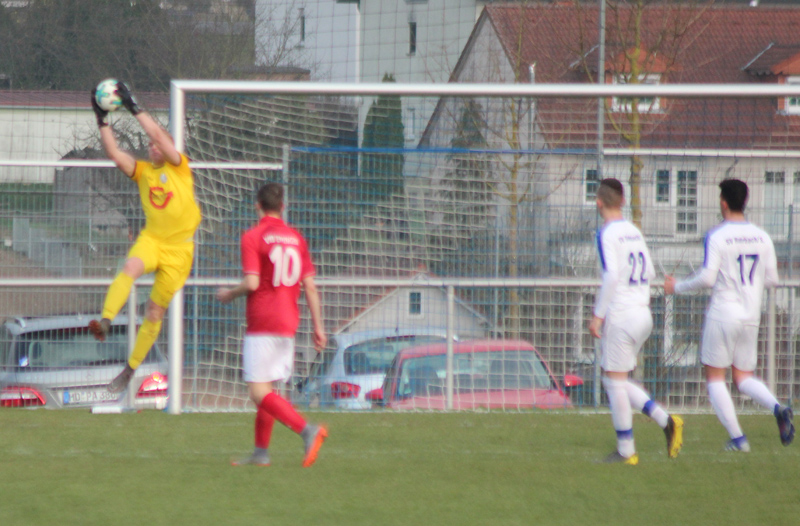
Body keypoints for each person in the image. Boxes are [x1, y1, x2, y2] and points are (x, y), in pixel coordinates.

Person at [89, 81, 202, 393]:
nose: (154, 146)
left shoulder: (180, 167)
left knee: (154, 312)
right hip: (152, 240)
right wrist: (102, 119)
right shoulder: (142, 171)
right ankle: (107, 320)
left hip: (179, 252)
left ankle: (129, 370)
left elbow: (157, 135)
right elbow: (113, 152)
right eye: (151, 145)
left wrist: (133, 105)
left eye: (159, 143)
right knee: (130, 268)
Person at [665, 178, 794, 452]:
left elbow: (708, 278)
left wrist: (676, 286)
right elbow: (772, 280)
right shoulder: (763, 236)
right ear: (744, 202)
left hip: (724, 313)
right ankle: (778, 408)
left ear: (723, 202)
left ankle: (738, 440)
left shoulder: (718, 235)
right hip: (750, 315)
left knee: (714, 378)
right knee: (743, 377)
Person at [216, 182, 328, 468]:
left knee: (258, 392)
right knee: (267, 391)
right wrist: (319, 327)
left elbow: (253, 282)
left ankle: (307, 431)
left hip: (263, 321)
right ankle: (260, 453)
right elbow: (310, 287)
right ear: (283, 207)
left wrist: (230, 293)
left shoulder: (253, 236)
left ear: (257, 206)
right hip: (289, 322)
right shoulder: (297, 238)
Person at [589, 178, 683, 465]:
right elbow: (650, 270)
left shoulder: (607, 233)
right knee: (615, 379)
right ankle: (667, 421)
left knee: (614, 383)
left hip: (622, 314)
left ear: (599, 202)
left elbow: (612, 276)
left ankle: (626, 451)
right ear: (623, 201)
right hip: (643, 313)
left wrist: (597, 315)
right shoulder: (633, 230)